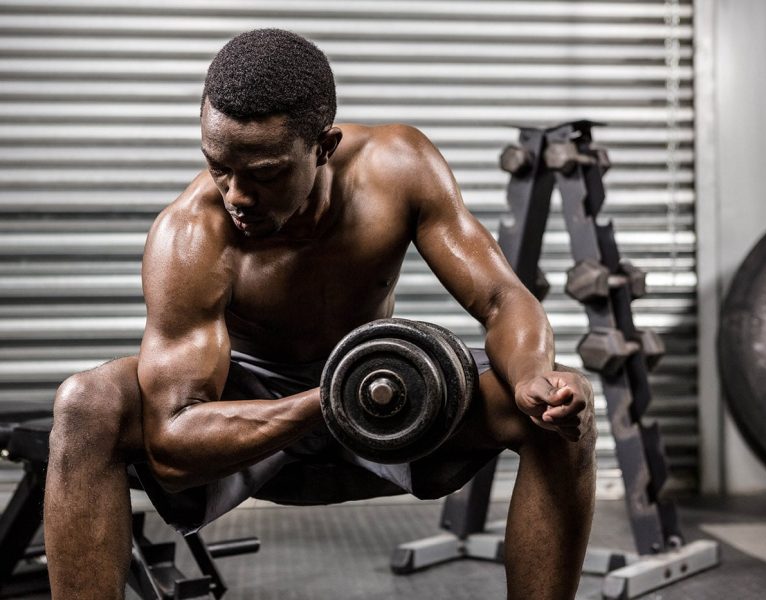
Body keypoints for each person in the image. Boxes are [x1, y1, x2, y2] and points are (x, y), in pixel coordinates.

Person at [43, 29, 596, 600]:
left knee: (560, 407)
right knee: (86, 403)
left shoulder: (396, 168)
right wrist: (330, 398)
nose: (237, 195)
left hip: (384, 390)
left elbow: (502, 298)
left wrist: (531, 378)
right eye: (218, 167)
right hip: (252, 401)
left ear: (324, 147)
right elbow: (173, 445)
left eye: (265, 173)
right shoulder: (190, 236)